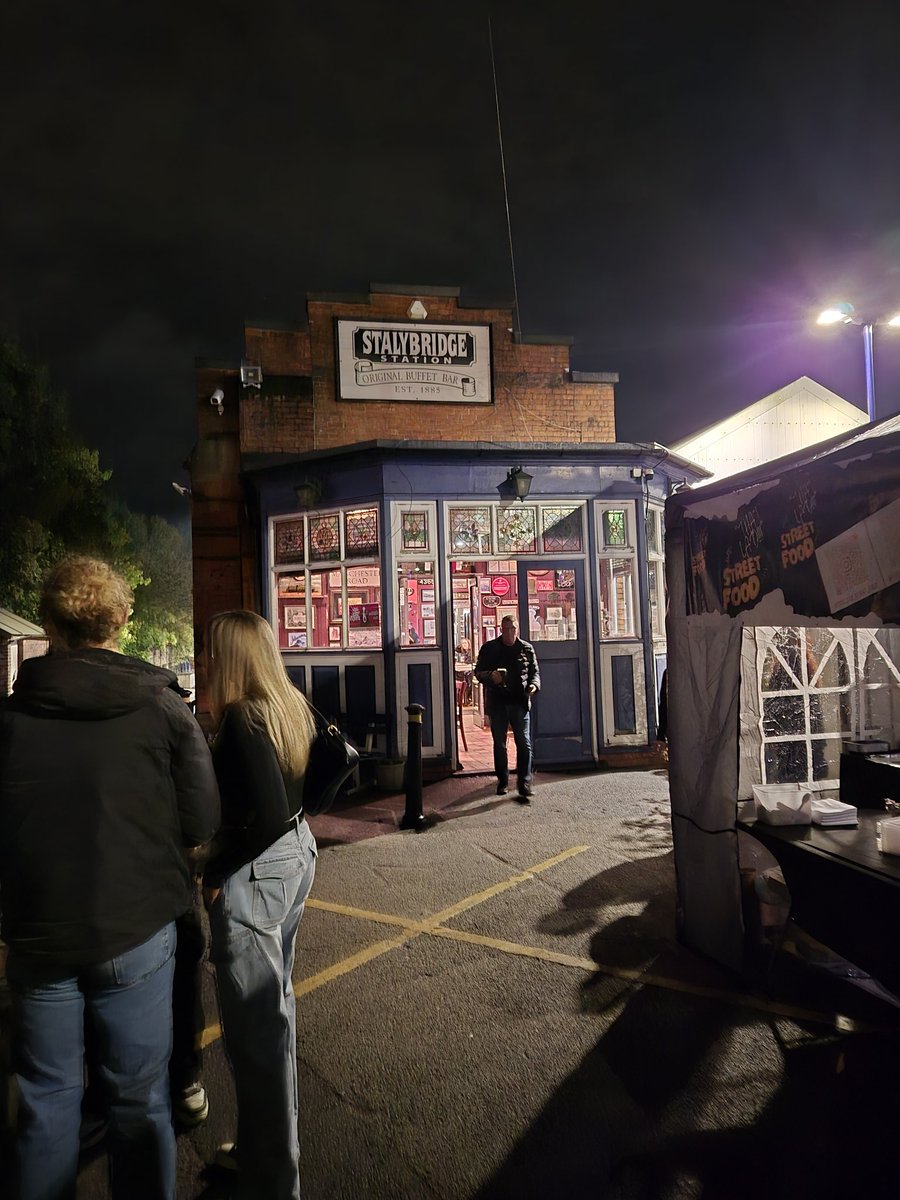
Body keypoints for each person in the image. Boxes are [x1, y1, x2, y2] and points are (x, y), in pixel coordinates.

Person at [0, 556, 220, 1200]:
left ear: (48, 623)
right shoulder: (162, 708)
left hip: (40, 936)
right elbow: (201, 819)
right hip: (137, 929)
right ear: (122, 622)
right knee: (138, 1098)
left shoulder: (11, 722)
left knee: (44, 1101)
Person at [202, 610, 318, 1200]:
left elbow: (263, 814)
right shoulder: (286, 703)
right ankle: (262, 1152)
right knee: (274, 1019)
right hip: (296, 854)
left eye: (212, 649)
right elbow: (311, 783)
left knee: (256, 1034)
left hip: (259, 871)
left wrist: (216, 869)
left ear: (233, 656)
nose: (206, 659)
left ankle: (273, 1181)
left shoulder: (244, 717)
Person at [474, 615, 540, 801]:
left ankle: (524, 782)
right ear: (501, 629)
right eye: (506, 629)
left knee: (524, 743)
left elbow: (535, 672)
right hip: (498, 702)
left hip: (520, 701)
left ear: (517, 629)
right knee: (500, 743)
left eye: (513, 628)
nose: (510, 632)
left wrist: (533, 686)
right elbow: (478, 672)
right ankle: (503, 781)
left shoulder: (526, 649)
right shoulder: (490, 648)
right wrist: (490, 676)